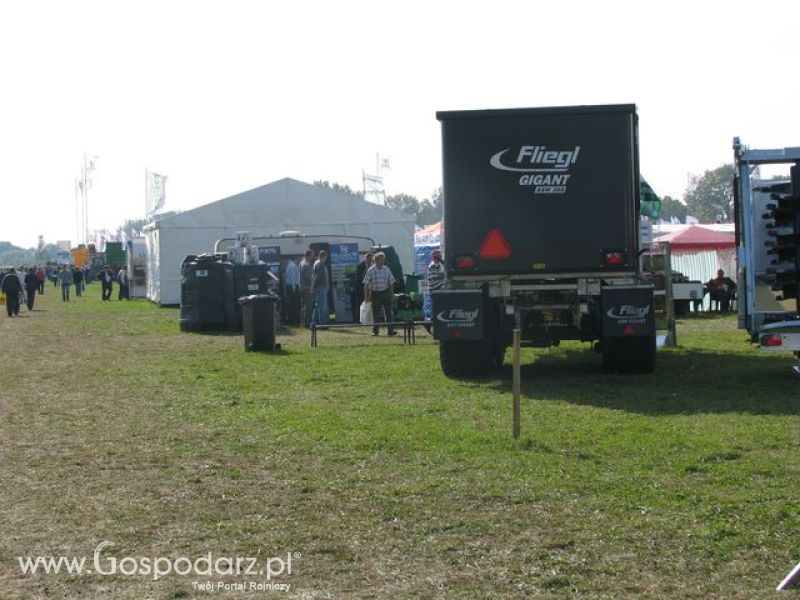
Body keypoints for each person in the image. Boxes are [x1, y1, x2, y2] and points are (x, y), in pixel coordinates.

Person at [364, 251, 397, 336]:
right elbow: (366, 284)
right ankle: (375, 331)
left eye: (383, 259)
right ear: (376, 260)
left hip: (385, 293)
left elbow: (391, 282)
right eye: (381, 259)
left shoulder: (387, 269)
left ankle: (390, 331)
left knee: (389, 313)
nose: (382, 261)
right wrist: (366, 297)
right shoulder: (370, 270)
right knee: (375, 313)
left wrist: (391, 294)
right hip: (375, 294)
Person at [352, 252, 374, 322]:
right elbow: (358, 279)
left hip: (371, 289)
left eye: (371, 259)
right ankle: (357, 320)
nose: (369, 260)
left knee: (370, 305)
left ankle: (368, 319)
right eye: (368, 258)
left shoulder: (374, 266)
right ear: (365, 258)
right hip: (361, 289)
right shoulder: (360, 266)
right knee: (359, 305)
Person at [424, 249, 445, 322]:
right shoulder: (432, 266)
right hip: (434, 288)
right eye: (438, 257)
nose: (439, 258)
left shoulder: (438, 265)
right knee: (435, 304)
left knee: (438, 304)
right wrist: (444, 275)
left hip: (438, 287)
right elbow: (433, 277)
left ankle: (437, 317)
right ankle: (433, 318)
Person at [311, 249, 329, 326]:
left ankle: (314, 322)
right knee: (321, 305)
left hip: (319, 287)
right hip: (321, 286)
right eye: (326, 257)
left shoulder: (317, 263)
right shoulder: (320, 264)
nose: (326, 259)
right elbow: (317, 277)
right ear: (323, 256)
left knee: (318, 305)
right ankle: (322, 323)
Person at [299, 249, 315, 328]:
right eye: (312, 255)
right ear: (308, 255)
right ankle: (307, 323)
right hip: (307, 288)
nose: (313, 257)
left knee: (303, 306)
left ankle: (302, 323)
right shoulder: (307, 265)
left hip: (302, 287)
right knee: (308, 307)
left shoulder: (301, 263)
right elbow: (309, 278)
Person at [283, 258, 301, 325]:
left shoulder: (289, 266)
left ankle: (291, 320)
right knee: (294, 305)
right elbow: (293, 278)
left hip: (289, 287)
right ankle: (294, 320)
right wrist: (294, 288)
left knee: (290, 304)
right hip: (293, 287)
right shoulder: (293, 266)